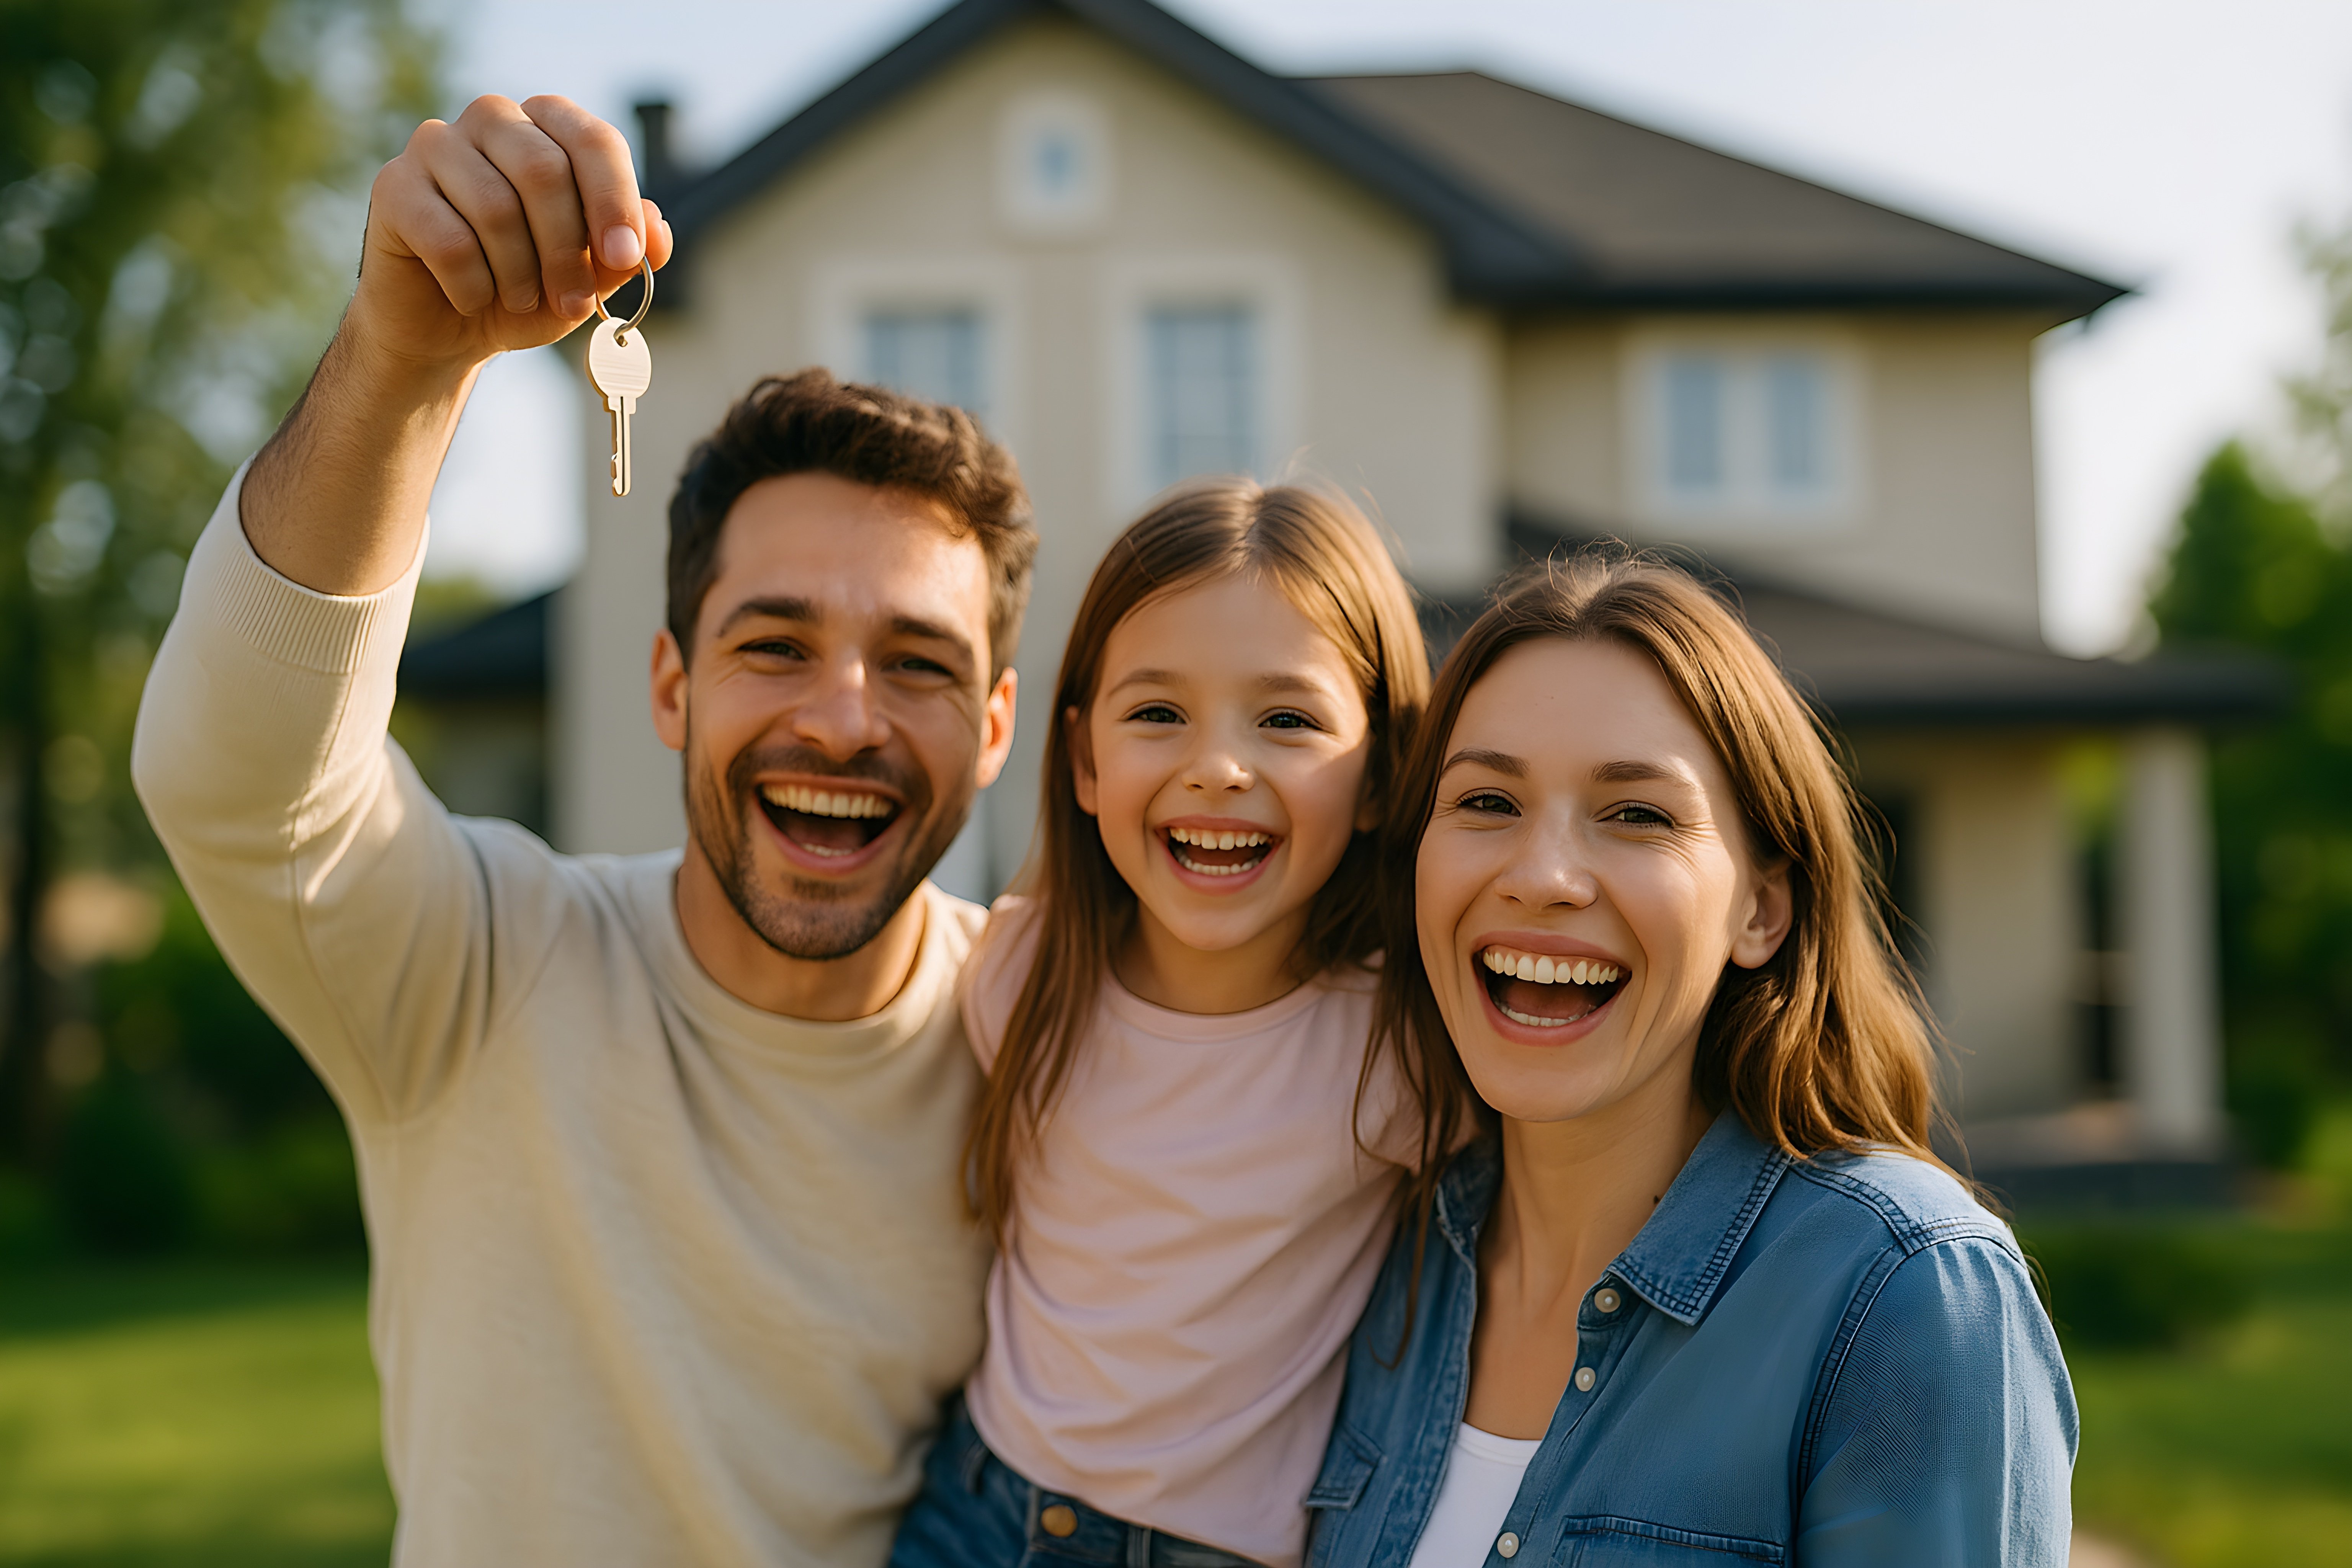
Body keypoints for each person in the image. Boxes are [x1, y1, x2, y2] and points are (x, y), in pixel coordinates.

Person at [131, 95, 1036, 1566]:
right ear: (671, 686)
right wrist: (403, 363)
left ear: (993, 728)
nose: (844, 720)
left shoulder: (1054, 1041)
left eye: (920, 664)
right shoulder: (480, 971)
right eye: (774, 646)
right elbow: (237, 775)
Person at [1303, 557, 2078, 1566]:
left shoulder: (1910, 1297)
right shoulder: (1381, 1265)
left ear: (1761, 910)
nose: (1541, 877)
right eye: (1487, 802)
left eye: (1639, 815)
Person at [889, 483, 1437, 1568]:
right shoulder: (1019, 973)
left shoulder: (1402, 1049)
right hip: (976, 1512)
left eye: (1287, 719)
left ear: (1380, 772)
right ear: (1087, 762)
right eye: (1158, 714)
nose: (1218, 765)